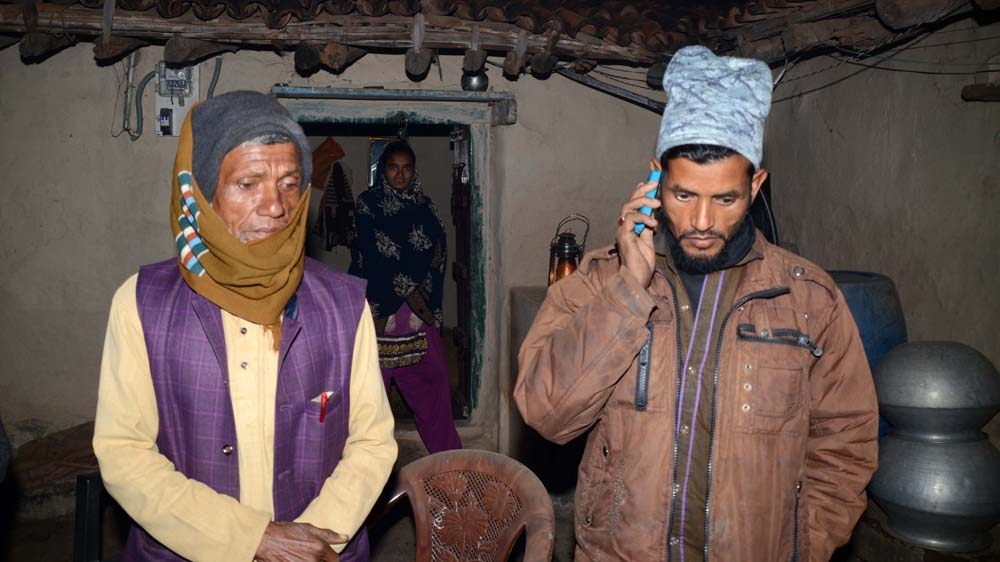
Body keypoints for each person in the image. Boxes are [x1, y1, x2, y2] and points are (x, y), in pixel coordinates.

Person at [515, 46, 878, 562]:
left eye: (725, 199)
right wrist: (628, 290)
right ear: (655, 179)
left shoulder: (808, 301)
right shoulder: (600, 282)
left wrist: (800, 545)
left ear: (755, 187)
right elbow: (546, 414)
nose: (702, 221)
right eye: (684, 196)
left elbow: (846, 445)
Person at [93, 91, 397, 562]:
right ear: (204, 192)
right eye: (248, 183)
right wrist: (250, 538)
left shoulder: (343, 305)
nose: (275, 206)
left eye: (290, 182)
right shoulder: (142, 304)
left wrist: (312, 542)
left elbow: (372, 441)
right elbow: (124, 453)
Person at [349, 141, 462, 454]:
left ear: (414, 170)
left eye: (407, 167)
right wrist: (410, 283)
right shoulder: (367, 204)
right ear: (382, 170)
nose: (400, 174)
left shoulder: (424, 207)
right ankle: (362, 469)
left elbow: (437, 251)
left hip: (416, 318)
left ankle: (450, 462)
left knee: (434, 389)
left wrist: (415, 287)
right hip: (380, 313)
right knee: (369, 399)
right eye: (393, 167)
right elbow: (371, 253)